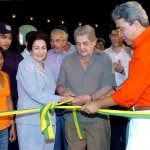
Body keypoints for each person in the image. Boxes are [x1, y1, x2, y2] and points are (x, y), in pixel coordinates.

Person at [81, 1, 150, 150]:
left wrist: (97, 104)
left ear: (136, 24)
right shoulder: (141, 45)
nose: (120, 35)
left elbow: (129, 94)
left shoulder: (146, 48)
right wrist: (108, 93)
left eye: (121, 29)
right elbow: (132, 82)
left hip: (146, 122)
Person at [56, 24, 116, 150]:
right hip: (72, 119)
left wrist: (90, 97)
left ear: (94, 42)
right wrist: (64, 92)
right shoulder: (67, 60)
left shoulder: (105, 59)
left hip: (98, 118)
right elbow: (59, 84)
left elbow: (109, 86)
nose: (81, 48)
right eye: (78, 44)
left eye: (85, 43)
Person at [15, 31, 67, 150]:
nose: (40, 51)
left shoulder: (45, 66)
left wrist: (65, 92)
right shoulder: (25, 65)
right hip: (30, 122)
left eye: (43, 48)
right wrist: (60, 99)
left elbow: (52, 87)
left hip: (47, 119)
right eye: (36, 48)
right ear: (30, 49)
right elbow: (35, 93)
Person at [104, 24, 131, 150]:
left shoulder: (129, 52)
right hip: (109, 95)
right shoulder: (104, 54)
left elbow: (134, 75)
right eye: (113, 35)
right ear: (109, 37)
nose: (116, 38)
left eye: (118, 34)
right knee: (113, 131)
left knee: (126, 130)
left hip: (126, 95)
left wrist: (122, 70)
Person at [44, 28, 71, 150]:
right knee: (54, 137)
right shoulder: (44, 57)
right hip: (50, 98)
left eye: (57, 40)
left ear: (65, 42)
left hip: (68, 98)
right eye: (52, 40)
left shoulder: (71, 58)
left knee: (68, 135)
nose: (54, 43)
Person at [0, 22, 22, 150]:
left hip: (11, 111)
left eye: (9, 37)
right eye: (3, 37)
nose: (7, 41)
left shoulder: (16, 57)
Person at [0, 48, 16, 150]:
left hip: (4, 128)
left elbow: (9, 101)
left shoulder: (5, 76)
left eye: (1, 57)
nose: (0, 61)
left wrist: (12, 126)